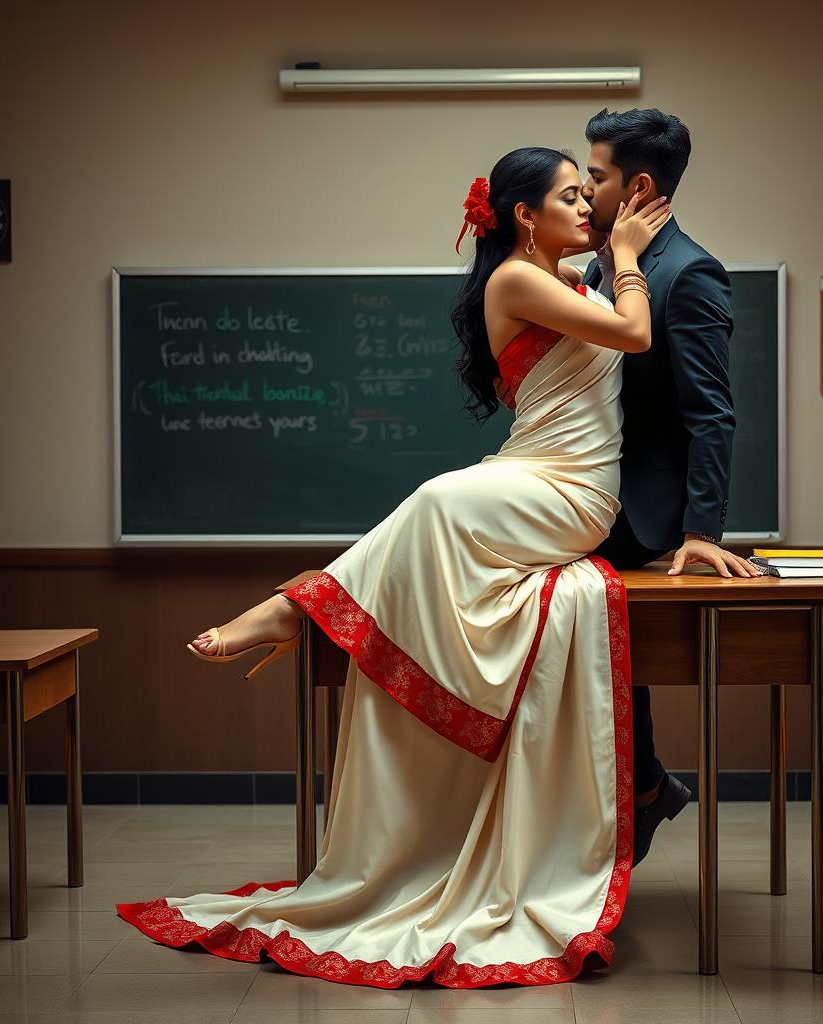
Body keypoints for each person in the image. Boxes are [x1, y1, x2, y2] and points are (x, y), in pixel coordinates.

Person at [116, 147, 677, 988]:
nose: (588, 209)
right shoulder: (517, 283)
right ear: (525, 216)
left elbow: (626, 328)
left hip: (572, 488)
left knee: (438, 498)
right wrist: (625, 260)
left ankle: (294, 608)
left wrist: (619, 252)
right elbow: (631, 327)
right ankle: (296, 608)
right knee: (439, 498)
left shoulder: (578, 279)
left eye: (585, 195)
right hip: (531, 475)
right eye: (570, 196)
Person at [578, 108, 763, 866]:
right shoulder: (602, 262)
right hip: (587, 485)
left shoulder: (687, 273)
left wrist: (701, 533)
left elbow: (711, 416)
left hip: (639, 511)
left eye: (595, 176)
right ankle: (642, 786)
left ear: (637, 185)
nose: (585, 189)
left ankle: (633, 791)